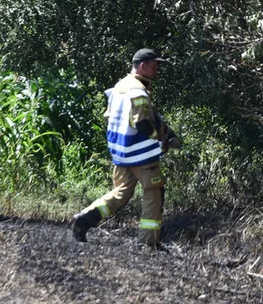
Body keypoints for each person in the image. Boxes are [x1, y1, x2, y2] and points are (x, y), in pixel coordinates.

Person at [71, 48, 182, 247]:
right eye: (154, 66)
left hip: (121, 153)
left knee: (120, 192)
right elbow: (144, 124)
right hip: (141, 155)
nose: (157, 70)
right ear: (142, 66)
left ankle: (85, 218)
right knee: (153, 192)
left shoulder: (120, 86)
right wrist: (165, 140)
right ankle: (148, 242)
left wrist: (169, 133)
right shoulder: (138, 91)